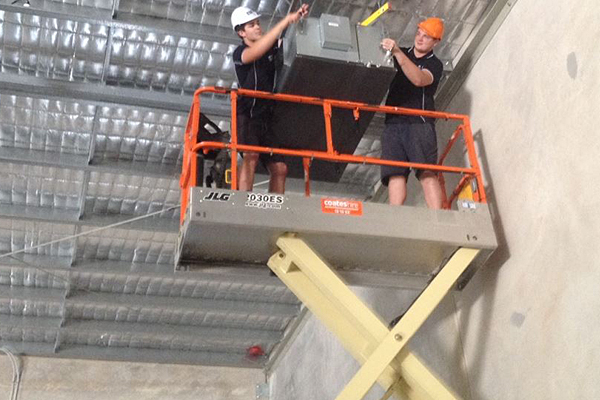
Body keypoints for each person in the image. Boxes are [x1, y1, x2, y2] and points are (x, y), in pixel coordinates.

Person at [231, 4, 309, 193]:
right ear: (241, 33)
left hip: (265, 118)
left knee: (280, 168)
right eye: (251, 25)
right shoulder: (239, 53)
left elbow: (289, 43)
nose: (258, 27)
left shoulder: (271, 46)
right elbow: (256, 52)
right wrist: (284, 21)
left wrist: (299, 21)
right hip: (246, 115)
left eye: (258, 23)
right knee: (251, 155)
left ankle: (275, 205)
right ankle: (243, 202)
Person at [379, 17, 445, 209]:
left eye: (427, 37)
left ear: (436, 42)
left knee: (426, 172)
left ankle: (437, 217)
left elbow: (419, 79)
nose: (420, 38)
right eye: (419, 33)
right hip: (393, 122)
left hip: (419, 122)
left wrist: (397, 52)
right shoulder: (400, 52)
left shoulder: (434, 64)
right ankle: (395, 216)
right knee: (394, 173)